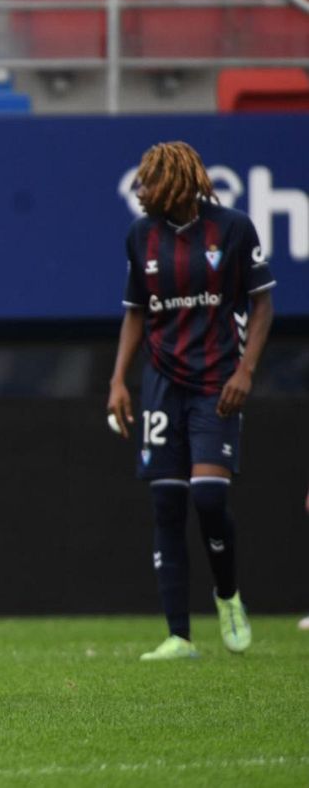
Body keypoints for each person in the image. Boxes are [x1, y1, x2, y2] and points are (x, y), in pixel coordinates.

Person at [106, 141, 274, 661]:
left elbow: (263, 302)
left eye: (149, 182)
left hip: (217, 381)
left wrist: (246, 370)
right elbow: (136, 312)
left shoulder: (233, 228)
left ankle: (227, 596)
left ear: (176, 182)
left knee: (208, 497)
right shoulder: (141, 236)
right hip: (161, 383)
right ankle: (179, 635)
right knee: (166, 502)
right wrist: (118, 381)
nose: (141, 192)